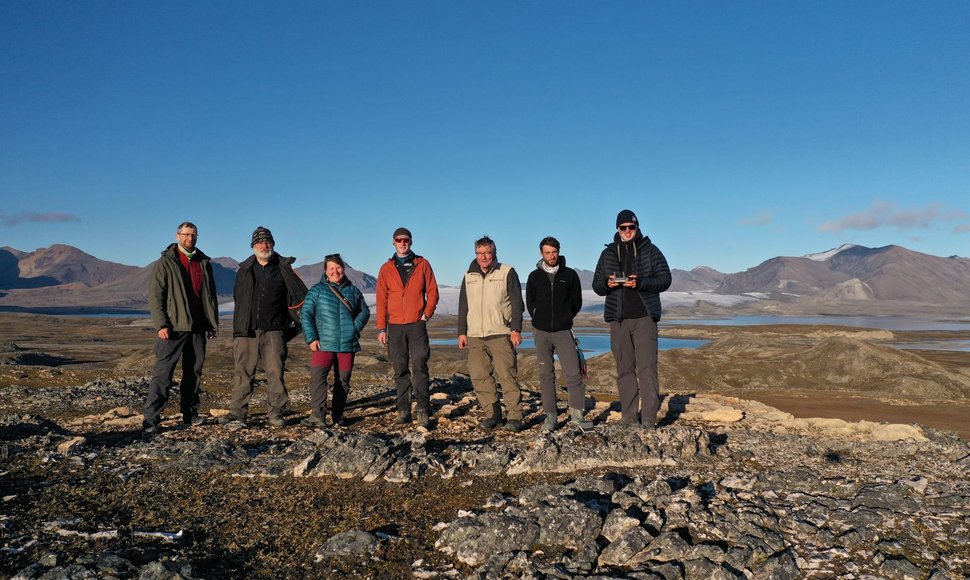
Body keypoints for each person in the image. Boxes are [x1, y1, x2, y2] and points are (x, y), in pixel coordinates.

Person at [220, 227, 308, 427]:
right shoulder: (244, 270)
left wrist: (292, 326)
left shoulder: (283, 268)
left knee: (275, 372)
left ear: (273, 244)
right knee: (243, 371)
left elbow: (299, 296)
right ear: (253, 246)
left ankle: (276, 412)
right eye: (259, 242)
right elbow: (238, 297)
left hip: (275, 330)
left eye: (267, 241)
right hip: (246, 331)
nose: (264, 245)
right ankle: (237, 412)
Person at [592, 209, 672, 428]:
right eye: (623, 227)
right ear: (617, 229)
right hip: (618, 319)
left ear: (637, 227)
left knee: (647, 368)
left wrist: (641, 282)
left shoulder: (651, 250)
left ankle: (648, 419)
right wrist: (607, 284)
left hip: (645, 317)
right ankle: (629, 417)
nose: (627, 231)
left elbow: (665, 280)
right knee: (624, 369)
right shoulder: (608, 253)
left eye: (631, 227)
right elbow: (596, 285)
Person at [143, 221, 219, 435]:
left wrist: (211, 323)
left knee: (193, 372)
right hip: (174, 327)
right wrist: (161, 324)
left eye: (193, 235)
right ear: (177, 236)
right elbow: (156, 296)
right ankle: (151, 419)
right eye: (186, 234)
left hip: (198, 327)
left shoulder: (203, 262)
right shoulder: (165, 262)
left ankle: (190, 413)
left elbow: (209, 295)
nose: (190, 238)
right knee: (163, 373)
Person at [457, 236, 526, 432]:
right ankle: (492, 414)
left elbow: (517, 303)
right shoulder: (468, 275)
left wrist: (516, 329)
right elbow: (464, 305)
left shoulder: (507, 272)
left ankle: (514, 416)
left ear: (494, 253)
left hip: (500, 332)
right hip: (476, 334)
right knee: (480, 377)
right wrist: (462, 332)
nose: (483, 257)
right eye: (479, 253)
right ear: (475, 254)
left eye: (487, 253)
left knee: (507, 376)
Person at [376, 227, 440, 429]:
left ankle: (423, 410)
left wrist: (426, 315)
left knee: (420, 364)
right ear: (393, 242)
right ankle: (403, 410)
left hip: (416, 324)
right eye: (399, 240)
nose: (402, 243)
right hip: (394, 325)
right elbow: (381, 299)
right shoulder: (386, 268)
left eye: (406, 240)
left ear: (411, 242)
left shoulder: (422, 264)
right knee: (400, 367)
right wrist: (381, 327)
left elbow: (433, 291)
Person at [525, 236, 588, 432]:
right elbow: (531, 303)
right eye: (547, 252)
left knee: (574, 373)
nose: (552, 256)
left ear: (559, 252)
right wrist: (538, 317)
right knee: (546, 375)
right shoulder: (534, 277)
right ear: (541, 254)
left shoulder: (569, 275)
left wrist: (566, 316)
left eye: (554, 252)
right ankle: (550, 417)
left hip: (563, 331)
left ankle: (577, 415)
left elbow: (576, 302)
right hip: (541, 332)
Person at [301, 254, 370, 428]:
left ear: (344, 269)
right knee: (318, 379)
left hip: (347, 344)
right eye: (331, 268)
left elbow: (365, 311)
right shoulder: (316, 290)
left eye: (338, 267)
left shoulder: (353, 291)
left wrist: (355, 327)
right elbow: (306, 314)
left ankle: (337, 415)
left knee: (343, 380)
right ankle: (318, 416)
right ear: (325, 270)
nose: (335, 271)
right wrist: (311, 338)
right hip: (323, 344)